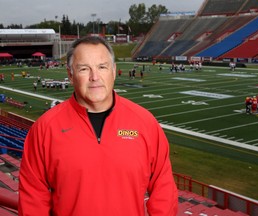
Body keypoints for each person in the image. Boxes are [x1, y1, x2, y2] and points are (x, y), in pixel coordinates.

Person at [18, 36, 178, 216]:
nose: (95, 77)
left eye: (102, 67)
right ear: (70, 74)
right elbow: (33, 199)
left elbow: (164, 190)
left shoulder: (145, 123)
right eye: (84, 69)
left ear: (114, 71)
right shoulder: (45, 128)